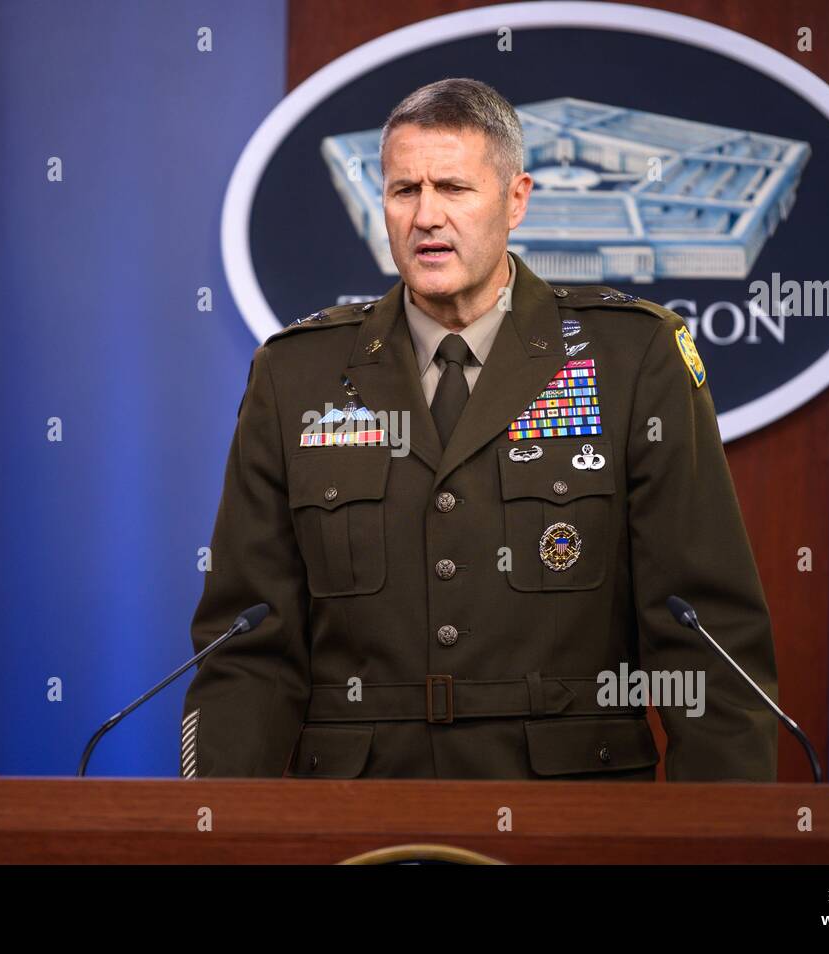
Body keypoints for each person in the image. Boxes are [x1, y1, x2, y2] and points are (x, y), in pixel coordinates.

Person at [180, 78, 778, 781]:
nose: (426, 216)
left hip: (570, 819)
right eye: (405, 191)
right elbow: (247, 649)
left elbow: (704, 633)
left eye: (454, 189)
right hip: (358, 818)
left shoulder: (631, 358)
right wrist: (215, 831)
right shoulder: (298, 375)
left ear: (516, 199)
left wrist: (724, 840)